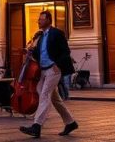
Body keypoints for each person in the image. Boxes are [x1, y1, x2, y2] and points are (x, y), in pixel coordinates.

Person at [19, 10, 78, 139]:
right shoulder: (39, 36)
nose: (38, 21)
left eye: (41, 19)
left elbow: (66, 51)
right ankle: (70, 122)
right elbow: (38, 54)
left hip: (53, 69)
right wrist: (30, 52)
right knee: (53, 98)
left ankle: (37, 126)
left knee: (44, 94)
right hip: (43, 69)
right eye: (39, 19)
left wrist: (58, 64)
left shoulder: (56, 33)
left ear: (48, 20)